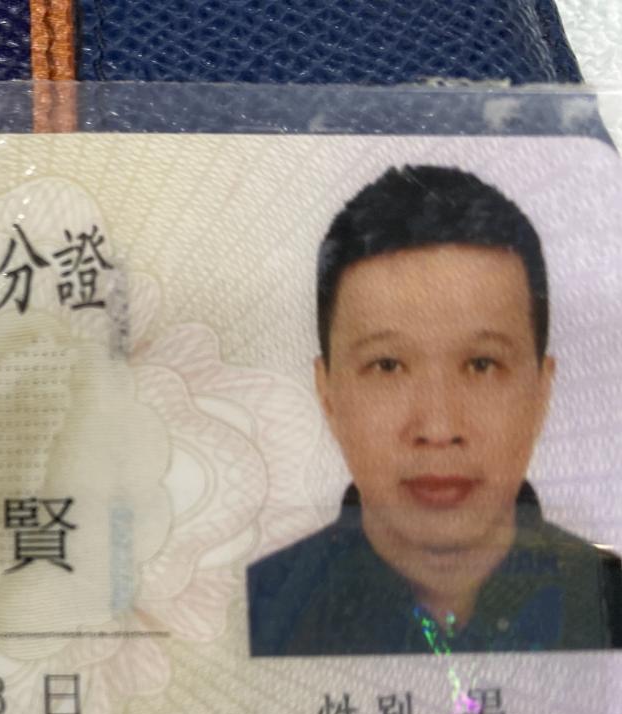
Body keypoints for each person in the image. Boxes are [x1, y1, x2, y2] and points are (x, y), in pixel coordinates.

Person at [247, 165, 622, 656]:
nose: (439, 428)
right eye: (387, 365)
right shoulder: (259, 611)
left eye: (482, 364)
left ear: (541, 390)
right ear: (328, 393)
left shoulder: (609, 600)